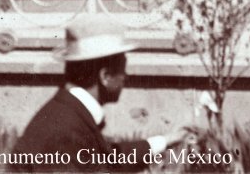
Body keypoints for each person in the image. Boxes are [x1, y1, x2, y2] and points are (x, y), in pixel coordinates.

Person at [11, 15, 183, 172]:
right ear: (105, 77)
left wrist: (167, 140)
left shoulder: (70, 112)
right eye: (122, 70)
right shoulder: (65, 133)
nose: (126, 77)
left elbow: (110, 158)